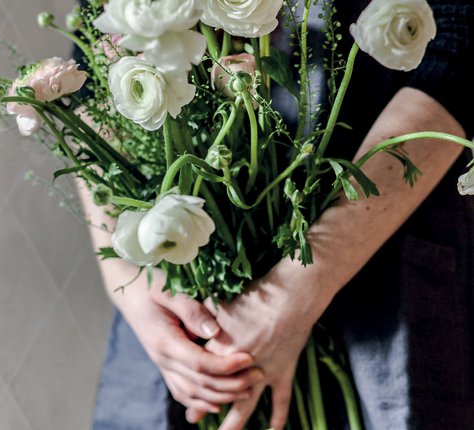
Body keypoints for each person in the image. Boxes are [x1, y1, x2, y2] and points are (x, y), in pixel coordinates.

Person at [78, 0, 474, 429]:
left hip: (379, 237)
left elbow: (459, 46)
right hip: (181, 292)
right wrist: (127, 280)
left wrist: (293, 293)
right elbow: (93, 55)